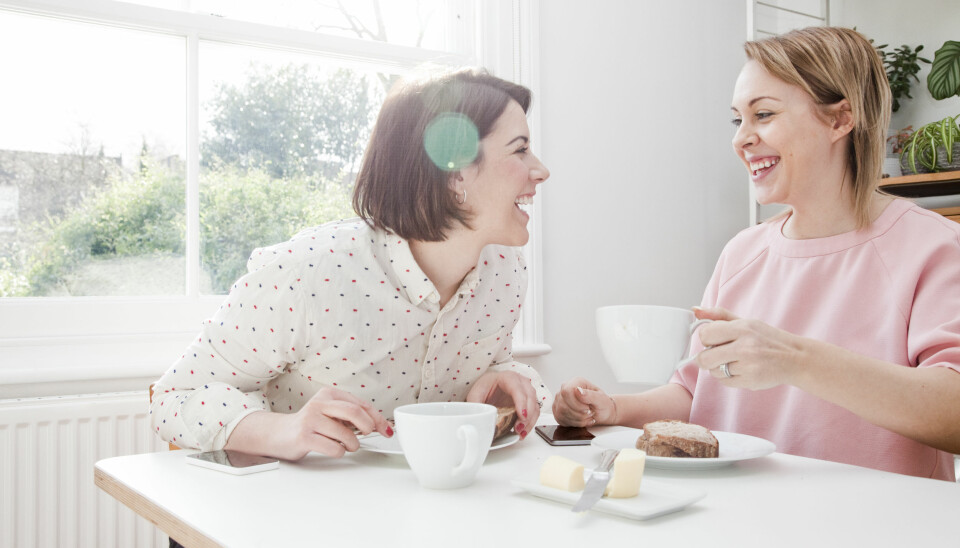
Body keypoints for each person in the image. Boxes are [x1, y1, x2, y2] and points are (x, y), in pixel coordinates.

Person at [553, 27, 960, 481]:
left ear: (840, 119)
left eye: (763, 114)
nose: (741, 139)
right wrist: (614, 408)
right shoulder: (742, 252)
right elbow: (697, 391)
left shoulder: (931, 246)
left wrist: (795, 359)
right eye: (737, 120)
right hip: (744, 518)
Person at [151, 68, 551, 461]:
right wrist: (283, 429)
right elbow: (174, 398)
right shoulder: (309, 272)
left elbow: (494, 363)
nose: (541, 170)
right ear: (453, 171)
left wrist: (500, 379)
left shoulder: (505, 270)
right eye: (520, 149)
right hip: (288, 511)